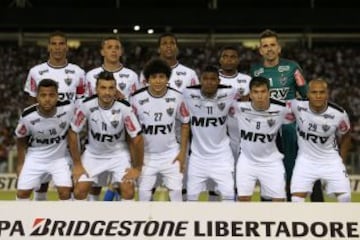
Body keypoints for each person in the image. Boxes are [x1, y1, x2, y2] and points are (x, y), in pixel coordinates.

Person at [249, 29, 324, 202]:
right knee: (269, 172)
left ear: (279, 48)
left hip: (292, 129)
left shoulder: (292, 67)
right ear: (260, 50)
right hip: (268, 132)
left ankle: (319, 208)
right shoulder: (255, 71)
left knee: (306, 167)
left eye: (272, 45)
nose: (269, 49)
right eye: (265, 46)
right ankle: (269, 215)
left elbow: (306, 96)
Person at [23, 30, 86, 200]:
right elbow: (32, 102)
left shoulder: (78, 72)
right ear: (48, 47)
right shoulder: (36, 72)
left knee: (71, 179)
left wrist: (78, 126)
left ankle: (68, 220)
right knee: (40, 181)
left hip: (70, 132)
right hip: (45, 132)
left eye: (61, 44)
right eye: (54, 44)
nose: (58, 47)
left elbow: (82, 102)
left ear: (67, 47)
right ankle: (40, 218)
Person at [68, 71, 144, 201]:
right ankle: (83, 220)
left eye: (111, 88)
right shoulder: (86, 105)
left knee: (128, 191)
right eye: (103, 88)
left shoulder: (124, 107)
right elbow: (72, 132)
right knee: (79, 192)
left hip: (118, 154)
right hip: (93, 154)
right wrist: (77, 164)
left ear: (115, 89)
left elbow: (137, 138)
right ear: (96, 89)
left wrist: (137, 167)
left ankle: (124, 219)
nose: (107, 92)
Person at [140, 32, 199, 200]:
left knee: (179, 182)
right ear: (159, 48)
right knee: (147, 183)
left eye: (172, 43)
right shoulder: (146, 74)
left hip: (182, 133)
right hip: (152, 135)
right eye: (164, 43)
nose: (168, 46)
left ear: (177, 47)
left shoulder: (189, 74)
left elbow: (195, 103)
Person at [85, 36, 139, 201]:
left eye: (117, 47)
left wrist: (122, 100)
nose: (113, 50)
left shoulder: (131, 76)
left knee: (124, 185)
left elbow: (136, 107)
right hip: (97, 137)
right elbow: (85, 105)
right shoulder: (91, 75)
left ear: (121, 51)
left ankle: (120, 220)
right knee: (94, 186)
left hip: (122, 138)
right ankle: (93, 219)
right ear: (102, 51)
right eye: (109, 47)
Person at [131, 58, 190, 201]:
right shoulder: (136, 99)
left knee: (176, 195)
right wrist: (135, 158)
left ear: (167, 79)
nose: (158, 81)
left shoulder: (177, 97)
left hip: (170, 155)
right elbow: (131, 133)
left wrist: (182, 153)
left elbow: (185, 124)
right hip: (146, 156)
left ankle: (176, 222)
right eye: (154, 77)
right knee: (144, 196)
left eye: (161, 77)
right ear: (147, 79)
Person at [290, 78, 352, 202]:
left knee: (345, 198)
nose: (318, 96)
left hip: (331, 161)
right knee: (296, 200)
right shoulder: (296, 105)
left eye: (322, 92)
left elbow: (346, 135)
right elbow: (274, 108)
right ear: (308, 93)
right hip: (305, 161)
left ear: (327, 94)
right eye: (314, 92)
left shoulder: (339, 114)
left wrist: (342, 159)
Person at [234, 76, 293, 201]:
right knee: (243, 200)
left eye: (263, 91)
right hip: (246, 161)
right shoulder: (238, 107)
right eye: (255, 92)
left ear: (269, 93)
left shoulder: (282, 109)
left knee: (278, 201)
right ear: (250, 94)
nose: (259, 96)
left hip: (271, 162)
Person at [183, 65, 236, 202]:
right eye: (205, 79)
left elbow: (249, 98)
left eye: (213, 79)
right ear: (200, 81)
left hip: (222, 157)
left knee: (229, 197)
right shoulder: (187, 94)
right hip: (197, 158)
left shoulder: (230, 93)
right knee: (192, 199)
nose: (209, 82)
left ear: (219, 81)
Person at [15, 79, 74, 201]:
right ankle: (22, 219)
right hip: (35, 157)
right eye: (43, 95)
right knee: (22, 193)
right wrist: (21, 163)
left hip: (59, 158)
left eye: (51, 95)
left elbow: (89, 103)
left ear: (57, 96)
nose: (47, 99)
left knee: (65, 192)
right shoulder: (27, 115)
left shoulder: (68, 107)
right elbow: (21, 138)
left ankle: (67, 219)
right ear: (37, 97)